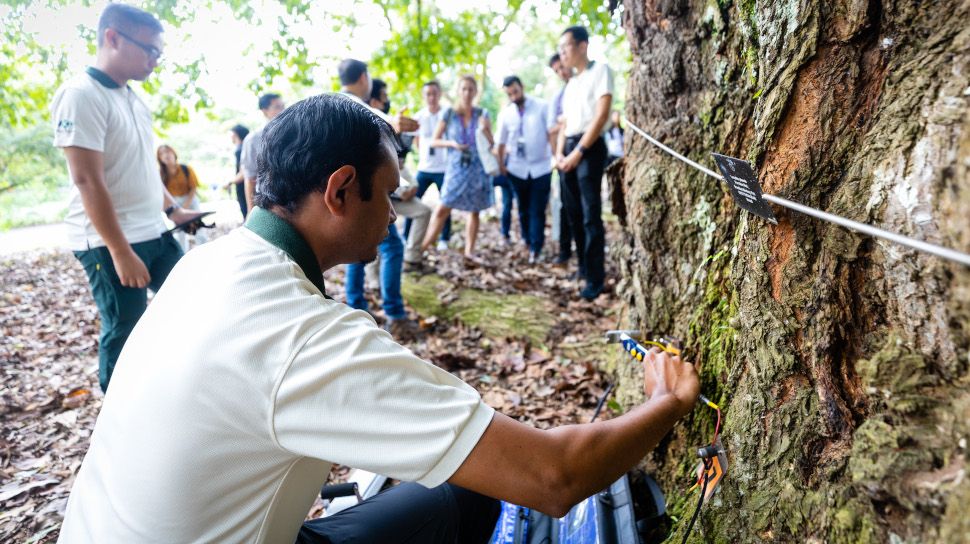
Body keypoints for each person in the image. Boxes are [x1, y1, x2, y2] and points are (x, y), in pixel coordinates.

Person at [56, 92, 700, 544]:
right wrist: (664, 405)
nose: (395, 213)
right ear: (339, 191)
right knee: (481, 492)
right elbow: (553, 477)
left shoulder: (204, 266)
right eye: (388, 194)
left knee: (450, 491)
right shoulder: (301, 336)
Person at [49, 3, 202, 393]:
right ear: (112, 38)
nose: (155, 60)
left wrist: (174, 209)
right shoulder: (81, 95)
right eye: (149, 49)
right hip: (108, 241)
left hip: (153, 229)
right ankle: (116, 409)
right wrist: (119, 251)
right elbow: (87, 181)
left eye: (158, 53)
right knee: (124, 325)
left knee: (190, 301)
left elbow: (142, 166)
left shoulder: (133, 98)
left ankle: (168, 384)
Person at [338, 62, 420, 337]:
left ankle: (355, 305)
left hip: (348, 193)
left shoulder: (335, 103)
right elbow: (373, 125)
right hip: (364, 193)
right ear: (364, 77)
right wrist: (394, 124)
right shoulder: (354, 106)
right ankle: (394, 313)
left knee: (355, 248)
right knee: (393, 247)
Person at [556, 26, 613, 301]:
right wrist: (560, 154)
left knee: (591, 216)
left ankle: (595, 278)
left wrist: (578, 152)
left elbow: (601, 114)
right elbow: (565, 124)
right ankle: (581, 267)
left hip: (589, 149)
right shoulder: (571, 84)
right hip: (568, 149)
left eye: (566, 46)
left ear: (582, 45)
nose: (562, 53)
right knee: (573, 213)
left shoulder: (600, 71)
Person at [421, 75, 495, 261]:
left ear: (476, 92)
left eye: (471, 89)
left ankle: (470, 251)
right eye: (464, 89)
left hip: (477, 168)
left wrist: (485, 130)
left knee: (475, 210)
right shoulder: (449, 114)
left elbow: (491, 143)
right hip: (456, 167)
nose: (467, 93)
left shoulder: (482, 113)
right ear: (458, 91)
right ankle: (421, 249)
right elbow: (435, 141)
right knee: (442, 208)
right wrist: (452, 144)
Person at [497, 75, 556, 263]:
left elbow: (551, 133)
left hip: (541, 167)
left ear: (521, 87)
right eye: (509, 94)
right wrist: (501, 166)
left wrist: (556, 156)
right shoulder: (506, 114)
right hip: (516, 168)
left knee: (537, 209)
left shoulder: (541, 106)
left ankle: (536, 248)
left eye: (515, 91)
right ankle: (527, 240)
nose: (513, 96)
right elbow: (500, 142)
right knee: (522, 208)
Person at [406, 80, 451, 250]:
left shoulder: (447, 114)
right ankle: (407, 237)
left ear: (439, 94)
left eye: (434, 93)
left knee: (445, 204)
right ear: (424, 96)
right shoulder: (419, 116)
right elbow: (416, 141)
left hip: (443, 169)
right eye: (428, 94)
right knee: (413, 203)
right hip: (424, 169)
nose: (431, 97)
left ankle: (444, 239)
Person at [548, 53, 577, 269]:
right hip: (563, 153)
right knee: (565, 206)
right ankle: (564, 251)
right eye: (556, 70)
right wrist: (557, 155)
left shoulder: (584, 85)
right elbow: (553, 129)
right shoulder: (558, 98)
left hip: (583, 150)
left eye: (562, 67)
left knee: (585, 207)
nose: (561, 72)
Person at [240, 92, 285, 213]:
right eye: (277, 107)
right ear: (264, 111)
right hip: (268, 204)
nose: (283, 110)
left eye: (283, 106)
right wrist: (250, 211)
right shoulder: (253, 139)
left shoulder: (295, 134)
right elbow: (250, 178)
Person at [157, 144, 208, 251]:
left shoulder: (186, 169)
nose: (166, 155)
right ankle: (181, 255)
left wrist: (185, 206)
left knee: (198, 228)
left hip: (189, 200)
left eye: (168, 152)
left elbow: (193, 188)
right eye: (162, 154)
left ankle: (205, 250)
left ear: (173, 153)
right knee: (179, 232)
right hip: (173, 203)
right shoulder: (160, 174)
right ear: (159, 158)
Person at [226, 124, 249, 219]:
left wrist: (230, 182)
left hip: (245, 186)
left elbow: (244, 172)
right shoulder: (245, 147)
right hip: (246, 185)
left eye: (231, 133)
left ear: (236, 134)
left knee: (247, 212)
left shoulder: (240, 150)